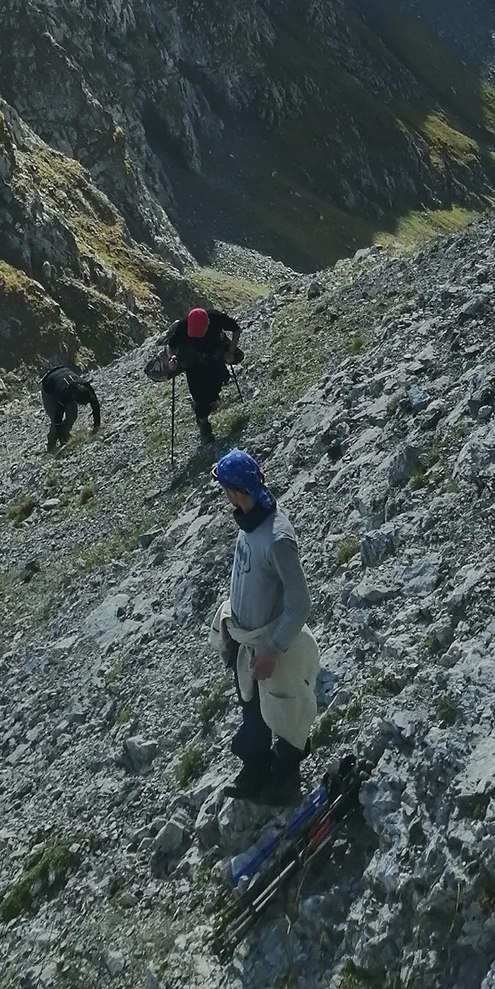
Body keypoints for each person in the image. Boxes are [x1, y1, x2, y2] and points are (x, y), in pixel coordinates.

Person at [213, 446, 319, 801]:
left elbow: (301, 603)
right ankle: (255, 772)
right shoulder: (250, 524)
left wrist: (274, 648)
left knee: (285, 709)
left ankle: (286, 782)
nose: (225, 495)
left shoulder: (278, 539)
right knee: (252, 711)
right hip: (248, 642)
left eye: (226, 488)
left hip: (271, 646)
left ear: (237, 490)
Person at [163, 302, 243, 444]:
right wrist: (172, 358)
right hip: (192, 360)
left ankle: (208, 403)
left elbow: (236, 329)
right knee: (200, 396)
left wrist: (231, 351)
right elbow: (171, 345)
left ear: (208, 323)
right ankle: (203, 424)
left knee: (215, 387)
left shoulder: (216, 317)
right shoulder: (184, 325)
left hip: (214, 354)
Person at [41, 363, 102, 450]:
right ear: (74, 398)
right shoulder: (64, 395)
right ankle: (51, 444)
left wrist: (96, 426)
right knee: (54, 418)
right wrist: (62, 441)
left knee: (72, 415)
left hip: (63, 372)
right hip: (48, 387)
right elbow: (57, 420)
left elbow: (95, 405)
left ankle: (66, 433)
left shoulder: (86, 386)